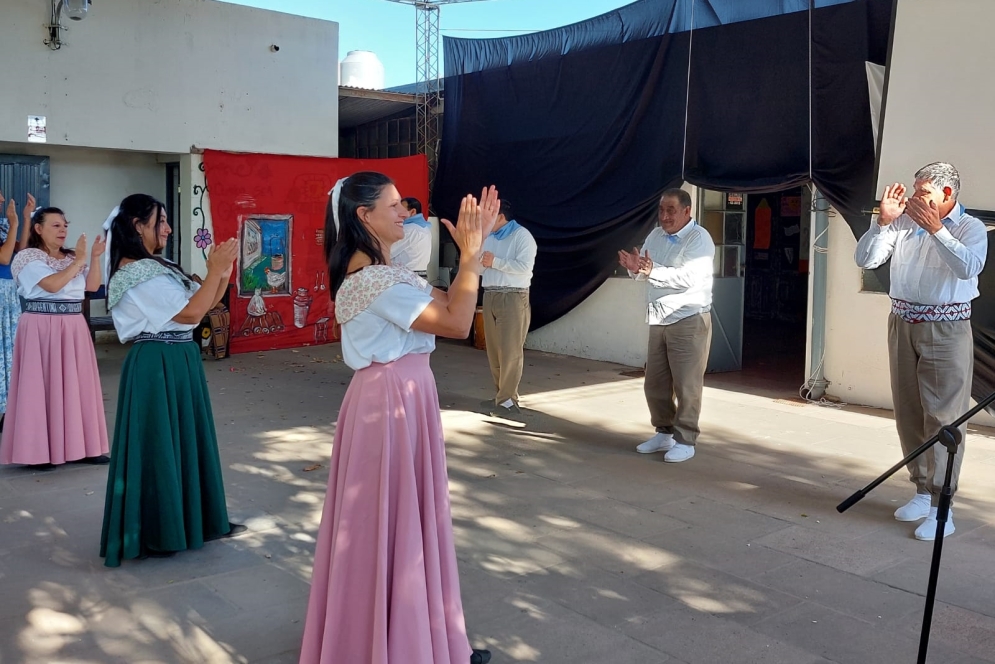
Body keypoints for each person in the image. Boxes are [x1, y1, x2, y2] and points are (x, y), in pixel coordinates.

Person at [299, 172, 496, 664]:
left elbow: (452, 305)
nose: (404, 212)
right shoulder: (372, 280)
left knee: (406, 520)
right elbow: (455, 322)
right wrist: (469, 256)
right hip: (389, 402)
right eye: (393, 206)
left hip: (400, 396)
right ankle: (392, 647)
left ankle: (417, 639)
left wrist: (475, 253)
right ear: (364, 217)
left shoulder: (387, 274)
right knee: (390, 523)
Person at [98, 194, 244, 566]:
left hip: (178, 359)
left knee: (187, 440)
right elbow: (191, 312)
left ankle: (196, 521)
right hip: (156, 362)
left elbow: (206, 306)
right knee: (159, 445)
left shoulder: (157, 266)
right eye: (159, 221)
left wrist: (222, 273)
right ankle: (158, 530)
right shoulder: (134, 272)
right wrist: (214, 271)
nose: (167, 228)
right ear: (137, 226)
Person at [855, 162, 986, 541]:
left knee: (944, 420)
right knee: (909, 414)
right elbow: (866, 260)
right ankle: (920, 489)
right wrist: (882, 222)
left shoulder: (970, 228)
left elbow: (969, 267)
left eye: (923, 193)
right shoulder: (903, 221)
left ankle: (942, 507)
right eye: (914, 192)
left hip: (946, 329)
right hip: (902, 323)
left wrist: (937, 230)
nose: (914, 200)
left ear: (947, 195)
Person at [0, 206, 109, 470]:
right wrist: (79, 261)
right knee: (41, 386)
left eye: (65, 225)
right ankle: (38, 451)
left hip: (73, 326)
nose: (63, 230)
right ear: (38, 228)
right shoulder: (26, 257)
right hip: (41, 326)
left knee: (78, 385)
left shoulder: (72, 256)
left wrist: (93, 258)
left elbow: (91, 287)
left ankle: (85, 447)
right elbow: (52, 285)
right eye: (56, 225)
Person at [619, 188, 714, 463]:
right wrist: (635, 267)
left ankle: (686, 440)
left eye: (671, 210)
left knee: (687, 385)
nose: (665, 216)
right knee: (655, 383)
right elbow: (645, 270)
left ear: (687, 211)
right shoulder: (656, 235)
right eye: (661, 210)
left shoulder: (700, 239)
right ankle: (664, 432)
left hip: (688, 318)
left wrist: (651, 270)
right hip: (658, 318)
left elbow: (688, 278)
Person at [479, 200, 537, 419]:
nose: (484, 220)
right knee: (494, 350)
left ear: (501, 216)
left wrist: (495, 262)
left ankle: (508, 399)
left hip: (513, 295)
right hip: (491, 293)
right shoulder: (488, 237)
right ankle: (501, 396)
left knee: (510, 351)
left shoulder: (523, 236)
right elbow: (478, 266)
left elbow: (524, 268)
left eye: (489, 215)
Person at [0, 191, 33, 430]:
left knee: (9, 349)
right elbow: (3, 257)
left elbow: (20, 251)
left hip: (8, 291)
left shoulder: (2, 225)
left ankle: (6, 408)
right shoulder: (6, 224)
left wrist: (26, 218)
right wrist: (14, 223)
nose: (2, 200)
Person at [389, 196, 432, 275]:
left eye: (401, 210)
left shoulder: (408, 229)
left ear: (412, 212)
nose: (397, 213)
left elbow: (388, 251)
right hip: (419, 275)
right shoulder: (424, 227)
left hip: (405, 276)